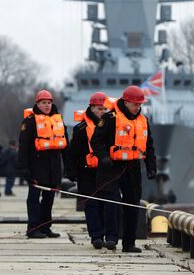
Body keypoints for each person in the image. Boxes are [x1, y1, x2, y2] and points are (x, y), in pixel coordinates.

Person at [91, 86, 157, 253]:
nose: (138, 107)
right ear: (126, 102)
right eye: (135, 104)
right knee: (112, 203)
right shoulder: (110, 118)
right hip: (111, 167)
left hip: (132, 167)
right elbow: (96, 141)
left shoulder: (143, 120)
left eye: (140, 104)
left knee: (133, 205)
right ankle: (111, 238)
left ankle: (129, 243)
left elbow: (149, 146)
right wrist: (104, 157)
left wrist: (151, 167)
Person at [18, 90, 68, 238]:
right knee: (33, 198)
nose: (47, 105)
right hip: (35, 166)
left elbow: (65, 144)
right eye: (43, 103)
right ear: (37, 104)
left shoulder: (58, 121)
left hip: (53, 166)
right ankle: (33, 228)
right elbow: (24, 146)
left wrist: (69, 166)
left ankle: (45, 227)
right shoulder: (30, 121)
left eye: (49, 102)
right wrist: (23, 168)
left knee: (49, 198)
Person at [65, 92, 111, 249]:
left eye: (105, 109)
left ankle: (107, 233)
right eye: (99, 109)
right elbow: (73, 152)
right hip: (86, 172)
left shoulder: (111, 127)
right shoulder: (81, 129)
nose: (102, 112)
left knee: (106, 204)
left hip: (105, 172)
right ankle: (96, 236)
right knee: (91, 205)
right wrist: (70, 171)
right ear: (91, 108)